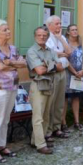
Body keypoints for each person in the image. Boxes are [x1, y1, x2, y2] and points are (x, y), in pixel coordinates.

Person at [0, 19, 26, 163]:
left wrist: (10, 63)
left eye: (8, 29)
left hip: (12, 87)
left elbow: (24, 63)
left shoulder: (13, 48)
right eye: (5, 30)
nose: (8, 31)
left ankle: (2, 146)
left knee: (6, 119)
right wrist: (13, 64)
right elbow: (0, 67)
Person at [26, 26, 64, 155]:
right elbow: (39, 71)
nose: (42, 37)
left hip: (50, 84)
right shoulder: (31, 51)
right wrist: (51, 64)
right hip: (38, 85)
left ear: (47, 37)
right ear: (35, 36)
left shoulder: (50, 50)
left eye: (44, 35)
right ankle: (40, 145)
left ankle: (35, 140)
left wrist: (46, 64)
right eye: (39, 35)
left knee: (46, 114)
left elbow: (60, 67)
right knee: (38, 116)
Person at [45, 15, 71, 139]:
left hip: (62, 72)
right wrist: (61, 53)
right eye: (57, 24)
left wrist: (60, 38)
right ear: (49, 25)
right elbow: (49, 53)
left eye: (60, 23)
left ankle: (57, 127)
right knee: (51, 102)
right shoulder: (46, 37)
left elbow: (69, 52)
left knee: (60, 102)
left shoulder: (61, 37)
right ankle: (48, 130)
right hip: (53, 73)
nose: (60, 26)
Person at [63, 24, 83, 131]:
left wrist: (82, 70)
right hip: (68, 73)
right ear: (68, 32)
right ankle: (64, 123)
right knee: (65, 98)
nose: (75, 31)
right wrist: (74, 72)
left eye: (76, 29)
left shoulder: (81, 43)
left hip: (80, 73)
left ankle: (76, 121)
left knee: (76, 97)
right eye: (72, 30)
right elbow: (65, 60)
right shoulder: (65, 43)